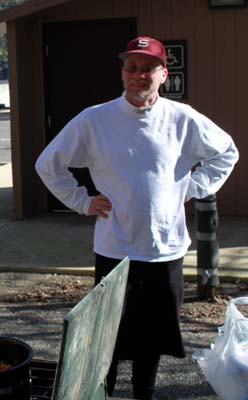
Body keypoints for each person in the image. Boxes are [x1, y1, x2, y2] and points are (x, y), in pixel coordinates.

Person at [35, 37, 239, 399]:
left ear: (163, 74)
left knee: (152, 340)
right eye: (131, 67)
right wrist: (82, 201)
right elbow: (48, 164)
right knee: (107, 339)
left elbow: (226, 152)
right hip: (116, 251)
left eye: (148, 68)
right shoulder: (95, 120)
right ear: (122, 72)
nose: (139, 75)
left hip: (165, 250)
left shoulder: (183, 118)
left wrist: (192, 188)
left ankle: (144, 392)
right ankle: (104, 394)